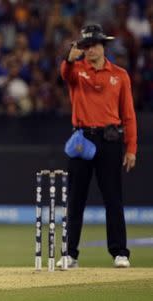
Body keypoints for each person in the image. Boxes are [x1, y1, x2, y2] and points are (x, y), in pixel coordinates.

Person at [58, 24, 137, 269]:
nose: (90, 50)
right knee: (76, 199)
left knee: (113, 199)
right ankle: (70, 254)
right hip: (82, 140)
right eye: (86, 46)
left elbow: (129, 115)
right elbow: (65, 74)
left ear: (103, 46)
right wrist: (69, 61)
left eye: (94, 45)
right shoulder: (76, 71)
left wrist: (131, 148)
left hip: (110, 141)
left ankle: (120, 252)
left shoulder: (120, 74)